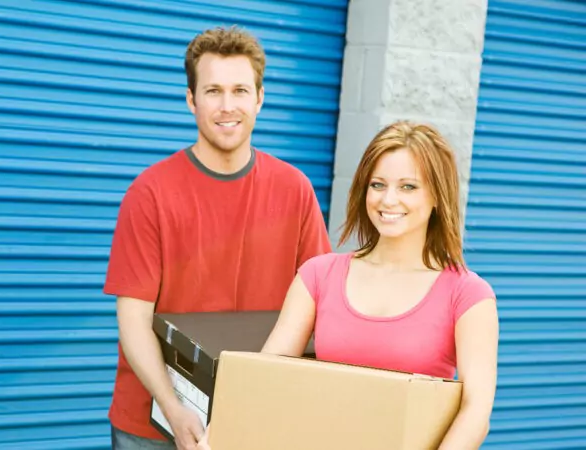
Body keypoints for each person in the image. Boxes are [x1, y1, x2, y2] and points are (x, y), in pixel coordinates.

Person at [197, 121, 499, 450]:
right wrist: (217, 436)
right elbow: (265, 377)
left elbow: (476, 411)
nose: (389, 199)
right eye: (378, 184)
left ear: (437, 196)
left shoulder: (467, 295)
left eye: (408, 187)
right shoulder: (319, 275)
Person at [103, 25, 332, 450]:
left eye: (240, 90)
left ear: (260, 98)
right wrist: (172, 407)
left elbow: (320, 307)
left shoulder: (295, 190)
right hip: (153, 425)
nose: (228, 106)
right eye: (213, 91)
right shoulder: (150, 193)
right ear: (191, 100)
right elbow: (133, 319)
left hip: (255, 420)